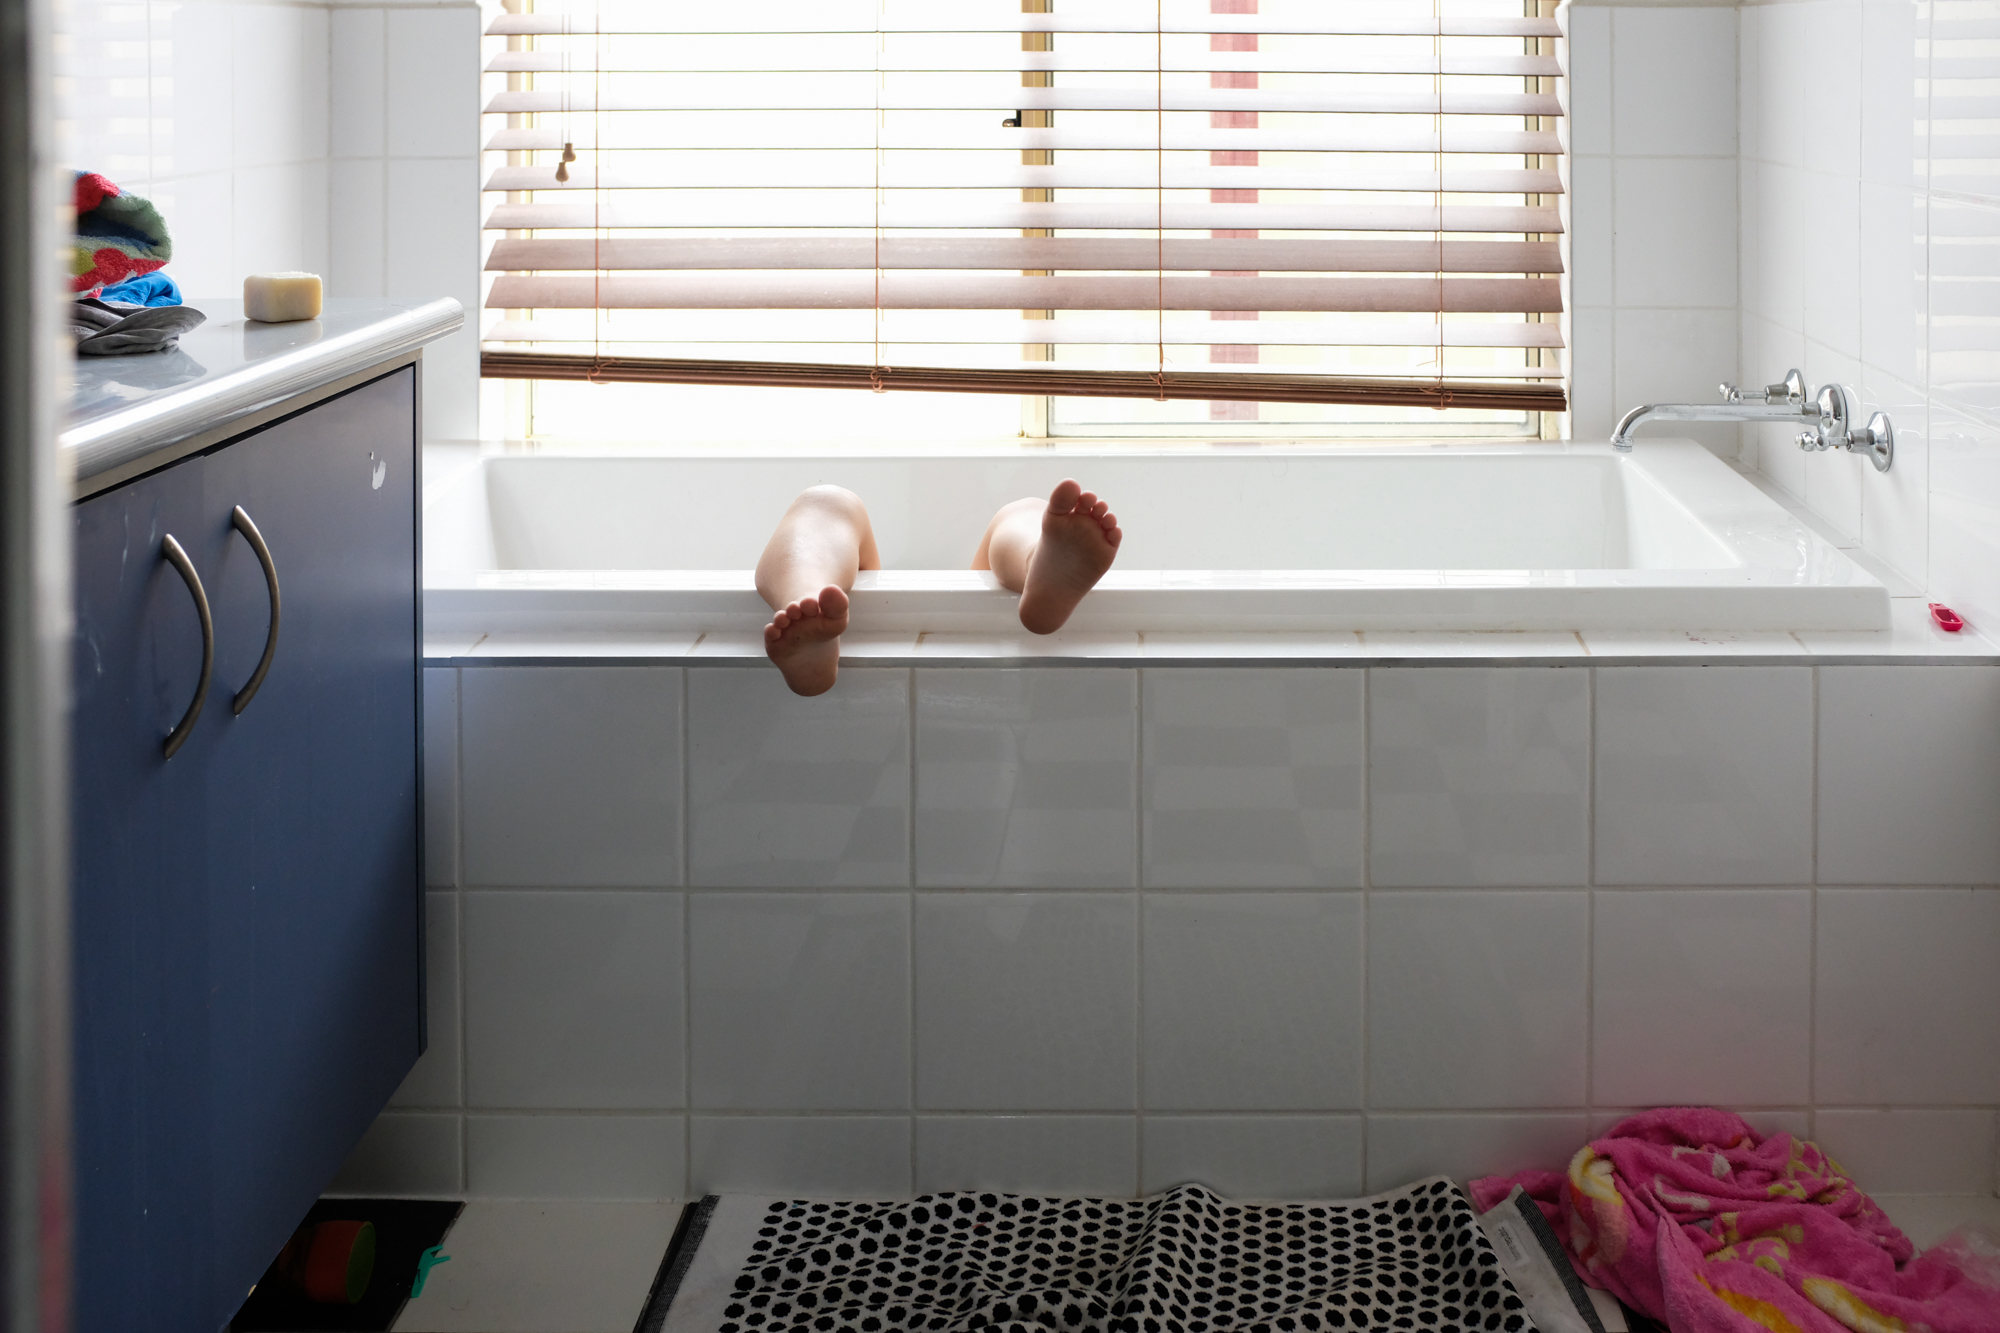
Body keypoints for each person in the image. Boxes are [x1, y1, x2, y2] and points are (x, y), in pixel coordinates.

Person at [757, 479, 1122, 696]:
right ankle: (811, 604)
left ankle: (806, 598)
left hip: (841, 589)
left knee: (824, 502)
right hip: (848, 593)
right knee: (1020, 512)